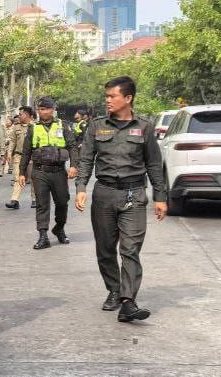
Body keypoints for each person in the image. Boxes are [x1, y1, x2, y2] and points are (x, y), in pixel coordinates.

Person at [75, 75, 167, 323]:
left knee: (130, 249)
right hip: (104, 193)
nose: (107, 100)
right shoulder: (96, 126)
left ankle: (128, 301)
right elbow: (86, 159)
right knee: (105, 248)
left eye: (112, 96)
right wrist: (81, 187)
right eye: (106, 96)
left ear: (128, 98)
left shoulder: (144, 128)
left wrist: (160, 197)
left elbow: (154, 164)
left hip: (134, 195)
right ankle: (114, 290)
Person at [18, 97, 78, 250]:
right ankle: (43, 235)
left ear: (52, 110)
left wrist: (73, 165)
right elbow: (26, 152)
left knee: (62, 202)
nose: (43, 112)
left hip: (59, 171)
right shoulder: (33, 128)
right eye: (41, 109)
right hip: (40, 172)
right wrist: (22, 172)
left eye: (46, 109)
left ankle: (59, 228)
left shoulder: (63, 126)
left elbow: (72, 146)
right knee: (42, 204)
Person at [4, 106, 34, 210]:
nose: (19, 116)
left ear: (27, 115)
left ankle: (34, 199)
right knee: (17, 178)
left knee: (33, 178)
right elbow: (12, 141)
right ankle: (14, 200)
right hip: (19, 156)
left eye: (21, 114)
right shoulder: (16, 127)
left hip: (32, 157)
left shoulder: (35, 127)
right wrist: (9, 154)